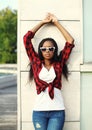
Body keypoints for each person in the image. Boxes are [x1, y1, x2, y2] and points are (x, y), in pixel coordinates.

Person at [23, 13, 74, 130]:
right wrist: (42, 22)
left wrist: (56, 23)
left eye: (51, 48)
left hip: (57, 112)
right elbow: (26, 39)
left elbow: (70, 41)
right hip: (39, 112)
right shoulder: (36, 63)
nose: (47, 51)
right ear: (40, 50)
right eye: (44, 48)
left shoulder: (59, 63)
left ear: (54, 50)